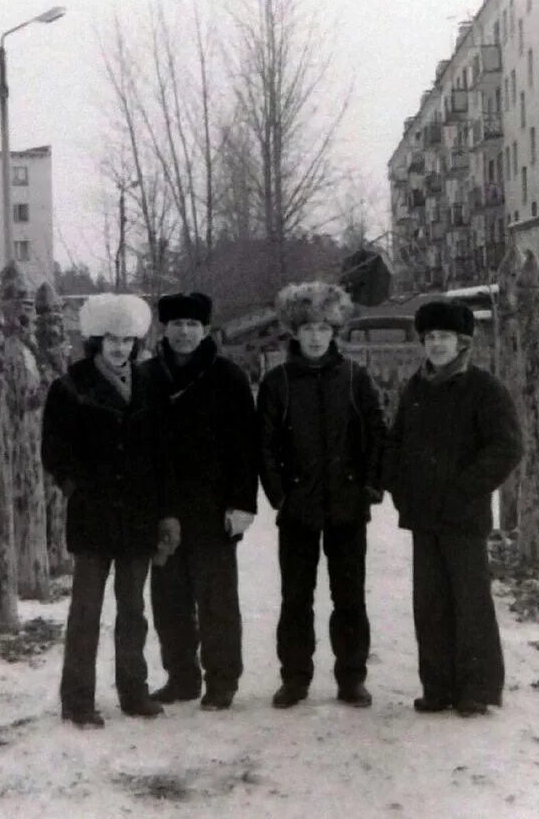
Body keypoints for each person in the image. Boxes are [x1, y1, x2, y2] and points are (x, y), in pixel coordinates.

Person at [41, 293, 182, 728]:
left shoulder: (149, 386)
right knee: (85, 611)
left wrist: (165, 511)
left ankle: (133, 692)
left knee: (133, 610)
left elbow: (164, 455)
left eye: (127, 341)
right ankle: (78, 700)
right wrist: (76, 489)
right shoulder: (70, 387)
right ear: (97, 340)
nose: (120, 348)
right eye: (112, 340)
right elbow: (54, 451)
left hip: (138, 517)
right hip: (93, 517)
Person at [386, 299, 522, 717]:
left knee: (470, 601)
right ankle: (438, 687)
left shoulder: (484, 388)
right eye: (430, 338)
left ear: (462, 342)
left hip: (463, 516)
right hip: (424, 516)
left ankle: (476, 690)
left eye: (445, 337)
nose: (437, 345)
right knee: (430, 603)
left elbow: (506, 447)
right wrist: (400, 489)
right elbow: (397, 444)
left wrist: (465, 489)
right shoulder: (416, 388)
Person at [256, 281, 386, 709]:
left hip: (347, 507)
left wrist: (369, 485)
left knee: (349, 595)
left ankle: (352, 677)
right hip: (298, 509)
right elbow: (265, 444)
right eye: (308, 327)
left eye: (324, 328)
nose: (315, 336)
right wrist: (280, 497)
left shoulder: (354, 377)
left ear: (335, 331)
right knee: (297, 597)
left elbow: (376, 434)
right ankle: (294, 677)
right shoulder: (278, 382)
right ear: (295, 331)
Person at [141, 292, 259, 712]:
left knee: (217, 601)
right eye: (177, 324)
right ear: (164, 329)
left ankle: (222, 680)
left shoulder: (228, 376)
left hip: (213, 506)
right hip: (163, 508)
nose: (185, 332)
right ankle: (181, 677)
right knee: (169, 600)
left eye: (193, 325)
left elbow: (247, 446)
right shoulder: (148, 376)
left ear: (206, 330)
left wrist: (242, 504)